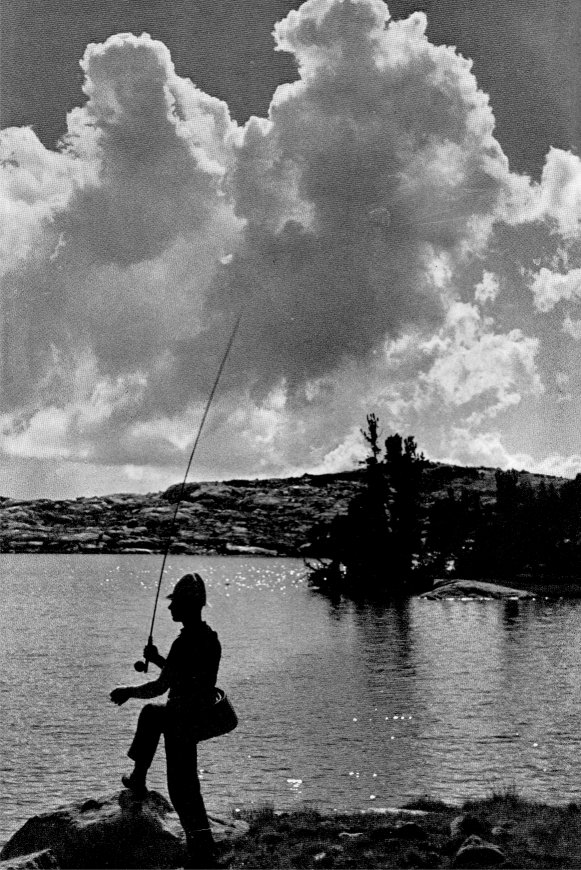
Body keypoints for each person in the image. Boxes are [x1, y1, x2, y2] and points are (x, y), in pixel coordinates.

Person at [110, 573, 221, 870]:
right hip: (195, 717)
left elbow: (162, 686)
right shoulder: (208, 638)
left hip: (181, 719)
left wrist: (128, 692)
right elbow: (185, 675)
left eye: (175, 604)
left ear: (186, 606)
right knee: (186, 786)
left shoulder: (185, 642)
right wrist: (159, 659)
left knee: (180, 785)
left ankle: (139, 777)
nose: (170, 610)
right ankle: (203, 846)